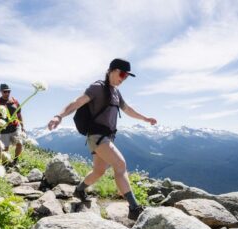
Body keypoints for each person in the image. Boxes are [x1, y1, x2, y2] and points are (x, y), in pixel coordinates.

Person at [47, 58, 157, 220]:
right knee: (120, 165)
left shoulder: (116, 92)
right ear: (112, 70)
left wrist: (145, 119)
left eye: (126, 76)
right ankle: (134, 207)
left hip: (107, 137)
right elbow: (77, 102)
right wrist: (59, 116)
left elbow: (128, 110)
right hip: (97, 136)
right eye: (122, 74)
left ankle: (79, 189)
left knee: (99, 171)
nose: (123, 78)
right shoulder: (97, 87)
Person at [0, 83, 25, 167]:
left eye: (8, 91)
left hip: (15, 127)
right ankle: (5, 164)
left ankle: (15, 161)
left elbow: (19, 114)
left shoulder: (15, 101)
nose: (7, 93)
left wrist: (23, 126)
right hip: (3, 129)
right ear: (1, 91)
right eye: (5, 91)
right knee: (5, 149)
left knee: (20, 144)